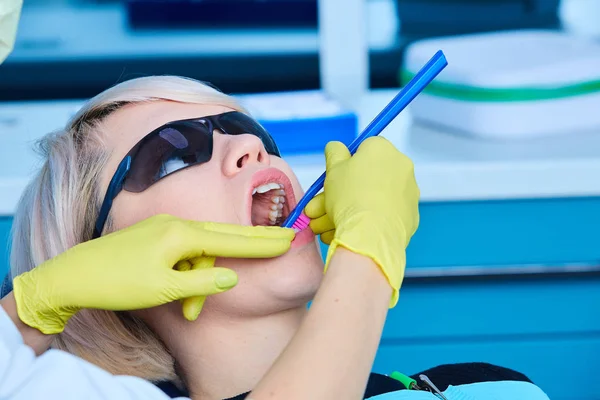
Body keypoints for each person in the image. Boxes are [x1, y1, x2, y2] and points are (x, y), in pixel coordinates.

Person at [0, 75, 550, 400]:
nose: (251, 149)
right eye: (172, 155)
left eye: (248, 132)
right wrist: (30, 307)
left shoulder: (490, 388)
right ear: (100, 255)